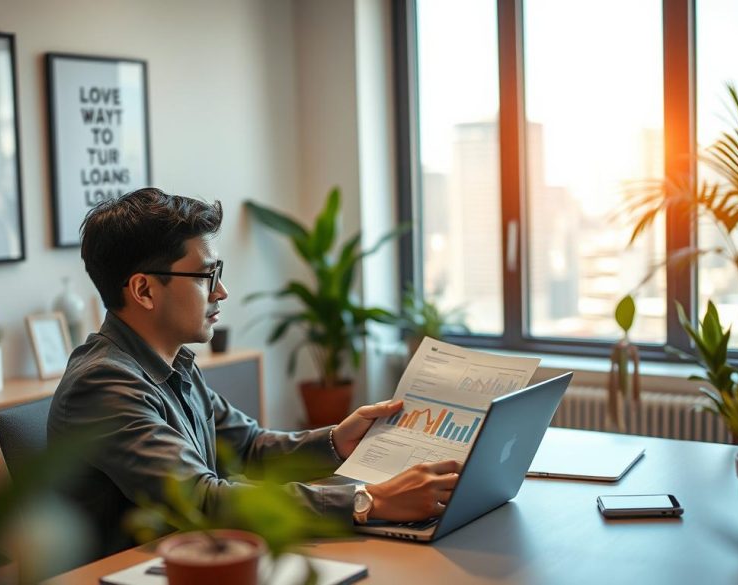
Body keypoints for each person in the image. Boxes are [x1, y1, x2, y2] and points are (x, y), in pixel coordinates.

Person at [47, 187, 460, 557]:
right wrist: (367, 501)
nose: (221, 291)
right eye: (207, 275)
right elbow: (202, 500)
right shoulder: (103, 383)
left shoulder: (174, 364)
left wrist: (337, 442)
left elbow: (250, 446)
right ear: (143, 290)